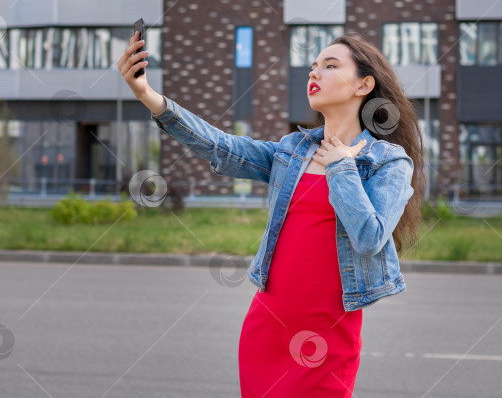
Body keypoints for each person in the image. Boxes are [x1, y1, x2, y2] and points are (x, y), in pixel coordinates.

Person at [118, 29, 426, 397]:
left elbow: (369, 237)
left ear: (364, 85)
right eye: (312, 66)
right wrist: (149, 97)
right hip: (268, 326)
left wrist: (342, 168)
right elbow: (222, 146)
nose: (314, 73)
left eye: (329, 65)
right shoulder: (292, 150)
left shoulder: (388, 161)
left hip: (325, 338)